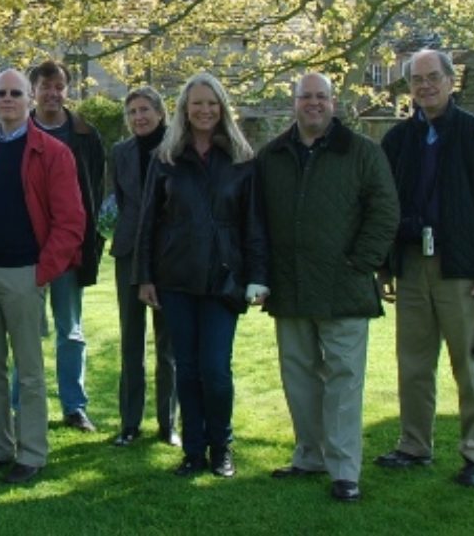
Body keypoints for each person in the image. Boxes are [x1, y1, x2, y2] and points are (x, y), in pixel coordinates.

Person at [375, 49, 474, 487]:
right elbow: (383, 209)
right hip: (412, 266)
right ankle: (414, 445)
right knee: (414, 362)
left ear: (451, 81)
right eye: (416, 80)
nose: (425, 86)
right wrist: (385, 266)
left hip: (463, 269)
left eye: (433, 77)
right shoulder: (397, 141)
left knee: (469, 364)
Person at [256, 72, 398, 503]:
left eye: (321, 97)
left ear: (333, 103)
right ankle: (309, 455)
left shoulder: (362, 153)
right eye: (306, 97)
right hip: (291, 286)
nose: (313, 104)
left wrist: (362, 262)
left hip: (344, 288)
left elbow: (385, 211)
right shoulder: (272, 156)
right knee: (299, 378)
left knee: (343, 381)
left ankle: (344, 470)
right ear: (294, 102)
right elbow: (257, 220)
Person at [134, 73, 268, 479]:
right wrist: (144, 276)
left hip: (224, 282)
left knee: (215, 368)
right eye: (197, 104)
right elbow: (148, 224)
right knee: (186, 369)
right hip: (176, 278)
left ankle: (221, 447)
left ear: (223, 108)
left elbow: (255, 226)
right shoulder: (166, 158)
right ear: (184, 109)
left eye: (212, 103)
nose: (205, 110)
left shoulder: (243, 161)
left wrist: (258, 276)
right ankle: (193, 450)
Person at [0, 68, 85, 485]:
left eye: (16, 93)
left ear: (30, 99)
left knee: (29, 371)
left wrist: (42, 272)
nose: (8, 99)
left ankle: (31, 453)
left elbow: (71, 223)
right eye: (1, 93)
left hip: (25, 276)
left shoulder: (53, 153)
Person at [25, 60, 105, 432]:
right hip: (25, 253)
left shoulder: (86, 136)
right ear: (33, 91)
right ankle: (21, 405)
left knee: (70, 331)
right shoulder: (17, 132)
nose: (52, 93)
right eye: (46, 86)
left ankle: (74, 406)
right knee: (25, 332)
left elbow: (94, 193)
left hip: (70, 251)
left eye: (59, 86)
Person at [108, 87, 179, 448]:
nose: (139, 117)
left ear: (160, 112)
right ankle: (130, 423)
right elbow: (125, 202)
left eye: (145, 110)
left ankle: (168, 425)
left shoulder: (174, 148)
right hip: (128, 254)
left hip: (166, 255)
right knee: (131, 341)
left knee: (167, 344)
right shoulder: (120, 152)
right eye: (133, 111)